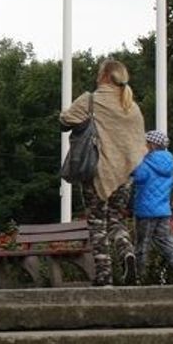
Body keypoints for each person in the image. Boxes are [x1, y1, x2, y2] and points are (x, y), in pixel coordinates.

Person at [60, 58, 145, 286]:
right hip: (125, 176)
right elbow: (138, 144)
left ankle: (104, 276)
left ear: (105, 76)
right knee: (116, 220)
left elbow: (65, 120)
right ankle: (126, 251)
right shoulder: (132, 107)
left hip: (96, 173)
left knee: (97, 224)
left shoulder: (91, 100)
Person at [132, 129, 173, 283]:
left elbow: (138, 178)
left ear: (151, 145)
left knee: (142, 244)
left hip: (145, 211)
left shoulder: (145, 162)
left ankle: (139, 275)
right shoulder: (170, 162)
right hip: (164, 210)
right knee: (166, 240)